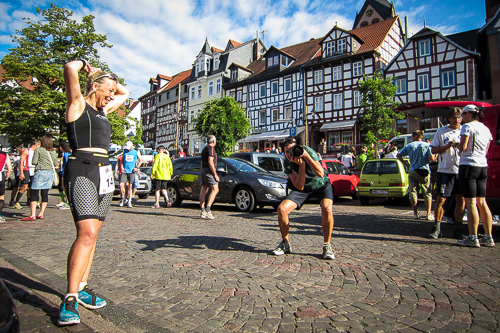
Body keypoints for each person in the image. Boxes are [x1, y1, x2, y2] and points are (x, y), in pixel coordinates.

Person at [58, 59, 129, 326]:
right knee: (86, 233)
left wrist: (109, 81)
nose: (112, 95)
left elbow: (126, 94)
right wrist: (88, 67)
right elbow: (69, 68)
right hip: (82, 168)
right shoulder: (78, 105)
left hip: (104, 172)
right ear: (94, 87)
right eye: (107, 90)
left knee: (94, 234)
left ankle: (83, 287)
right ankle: (70, 298)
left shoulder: (105, 111)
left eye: (112, 91)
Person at [272, 136, 335, 260]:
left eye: (291, 150)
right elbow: (299, 186)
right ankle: (285, 244)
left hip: (321, 184)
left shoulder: (307, 151)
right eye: (286, 152)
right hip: (304, 188)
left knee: (327, 208)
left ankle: (327, 246)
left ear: (298, 147)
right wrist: (301, 166)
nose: (289, 154)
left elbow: (321, 173)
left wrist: (306, 157)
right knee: (282, 209)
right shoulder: (286, 161)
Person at [456, 105, 495, 247]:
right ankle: (488, 236)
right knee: (482, 202)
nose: (461, 118)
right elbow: (486, 149)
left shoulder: (467, 127)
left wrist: (455, 144)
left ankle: (473, 237)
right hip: (482, 165)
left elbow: (463, 146)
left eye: (462, 115)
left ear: (467, 114)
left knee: (471, 203)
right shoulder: (485, 128)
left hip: (468, 165)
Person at [428, 108, 464, 239]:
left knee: (461, 199)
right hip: (445, 170)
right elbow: (433, 150)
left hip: (461, 169)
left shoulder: (464, 131)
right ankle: (437, 227)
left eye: (459, 117)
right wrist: (447, 147)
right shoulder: (441, 131)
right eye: (454, 117)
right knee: (441, 199)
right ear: (449, 118)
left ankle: (459, 228)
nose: (457, 120)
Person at [397, 130, 434, 220]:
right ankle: (428, 214)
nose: (411, 138)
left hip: (413, 170)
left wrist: (406, 164)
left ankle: (415, 213)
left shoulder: (410, 145)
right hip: (424, 170)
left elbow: (398, 155)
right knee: (427, 193)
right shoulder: (427, 145)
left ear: (415, 136)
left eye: (412, 136)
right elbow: (432, 158)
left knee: (413, 192)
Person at [21, 136, 58, 221]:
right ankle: (41, 213)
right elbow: (55, 163)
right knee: (45, 193)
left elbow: (34, 161)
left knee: (34, 192)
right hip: (50, 173)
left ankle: (32, 214)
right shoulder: (52, 151)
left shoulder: (39, 150)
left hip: (40, 172)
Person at [199, 135, 219, 220]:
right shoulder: (211, 148)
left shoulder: (204, 149)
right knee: (215, 189)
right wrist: (215, 174)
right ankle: (208, 209)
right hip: (209, 170)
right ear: (214, 141)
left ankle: (202, 210)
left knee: (204, 189)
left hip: (204, 169)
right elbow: (210, 162)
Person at [18, 140, 40, 206]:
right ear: (36, 145)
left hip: (33, 170)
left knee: (33, 187)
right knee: (24, 187)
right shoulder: (26, 151)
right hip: (26, 169)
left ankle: (30, 200)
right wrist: (21, 173)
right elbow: (21, 162)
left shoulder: (36, 152)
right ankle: (16, 201)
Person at [120, 141, 142, 208]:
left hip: (132, 171)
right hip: (125, 171)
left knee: (130, 186)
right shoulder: (125, 151)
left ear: (132, 146)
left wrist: (137, 167)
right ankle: (123, 198)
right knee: (121, 185)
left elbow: (141, 160)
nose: (128, 149)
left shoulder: (136, 151)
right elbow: (122, 160)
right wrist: (122, 166)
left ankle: (129, 200)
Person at [56, 141, 71, 210]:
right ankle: (67, 201)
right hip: (67, 171)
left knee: (64, 187)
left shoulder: (65, 154)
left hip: (64, 172)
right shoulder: (69, 153)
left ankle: (67, 202)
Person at [0, 148, 13, 223]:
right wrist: (6, 178)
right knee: (1, 197)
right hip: (1, 175)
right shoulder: (4, 154)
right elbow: (10, 169)